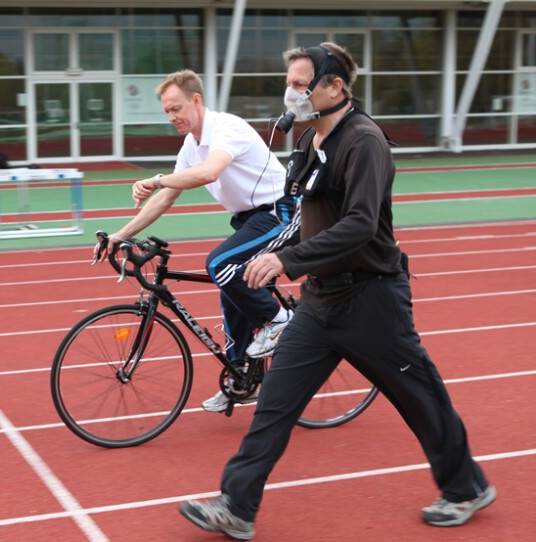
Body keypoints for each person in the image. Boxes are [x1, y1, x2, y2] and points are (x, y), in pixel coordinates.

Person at [179, 43, 495, 540]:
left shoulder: (364, 141)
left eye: (302, 83)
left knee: (420, 398)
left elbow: (361, 224)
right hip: (320, 301)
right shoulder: (306, 145)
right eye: (290, 81)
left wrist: (285, 261)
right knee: (276, 402)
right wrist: (265, 255)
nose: (292, 92)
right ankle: (236, 505)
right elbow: (301, 218)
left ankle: (466, 487)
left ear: (334, 87)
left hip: (372, 300)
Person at [94, 69, 300, 413]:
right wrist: (119, 235)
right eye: (166, 112)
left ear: (196, 100)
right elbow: (165, 198)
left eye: (176, 108)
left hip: (280, 212)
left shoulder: (226, 128)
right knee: (231, 291)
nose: (172, 117)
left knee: (219, 264)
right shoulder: (191, 145)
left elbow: (208, 172)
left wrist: (157, 179)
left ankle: (280, 321)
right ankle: (242, 380)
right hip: (250, 218)